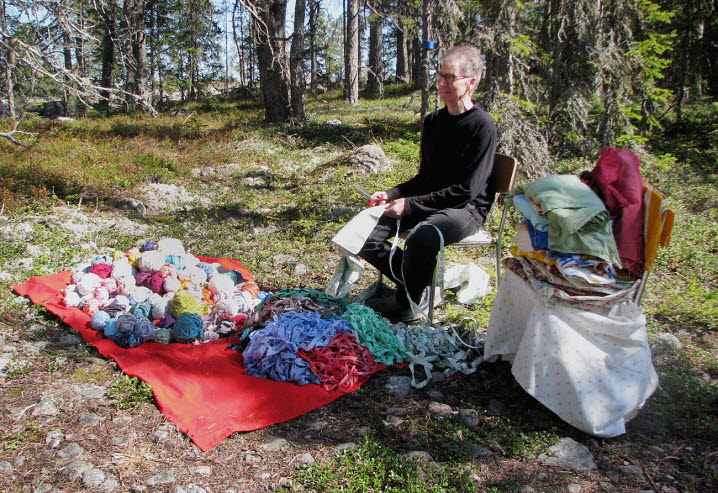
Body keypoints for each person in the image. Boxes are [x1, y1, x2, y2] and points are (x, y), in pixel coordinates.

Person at [359, 45, 497, 323]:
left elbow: (466, 190)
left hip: (467, 209)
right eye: (440, 76)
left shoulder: (482, 126)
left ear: (471, 83)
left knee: (424, 236)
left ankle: (406, 301)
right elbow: (425, 178)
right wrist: (392, 193)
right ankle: (417, 288)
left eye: (450, 77)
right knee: (364, 233)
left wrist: (409, 205)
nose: (442, 83)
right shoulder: (434, 122)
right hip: (430, 199)